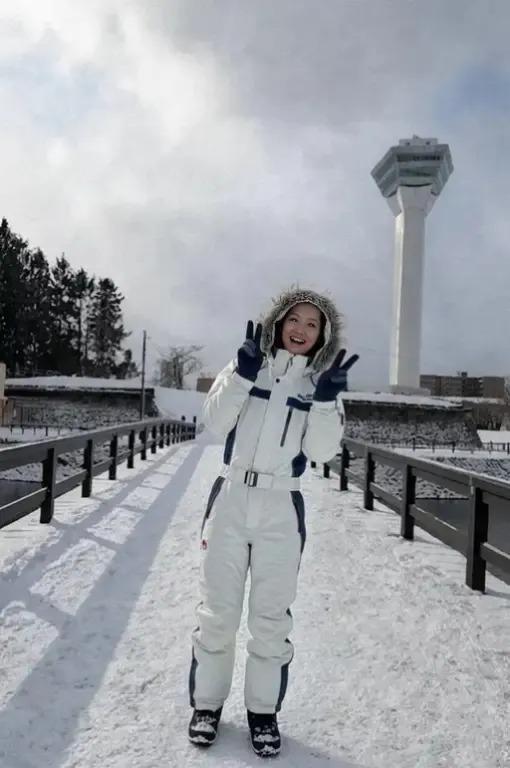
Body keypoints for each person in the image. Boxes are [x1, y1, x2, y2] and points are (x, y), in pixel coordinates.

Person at [188, 287, 358, 757]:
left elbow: (321, 452)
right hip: (231, 499)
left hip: (282, 508)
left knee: (270, 618)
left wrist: (325, 401)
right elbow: (214, 423)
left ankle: (263, 713)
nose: (301, 329)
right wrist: (241, 376)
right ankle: (206, 706)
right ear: (279, 322)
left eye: (312, 324)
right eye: (294, 319)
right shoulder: (248, 365)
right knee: (217, 612)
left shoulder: (319, 386)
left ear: (322, 335)